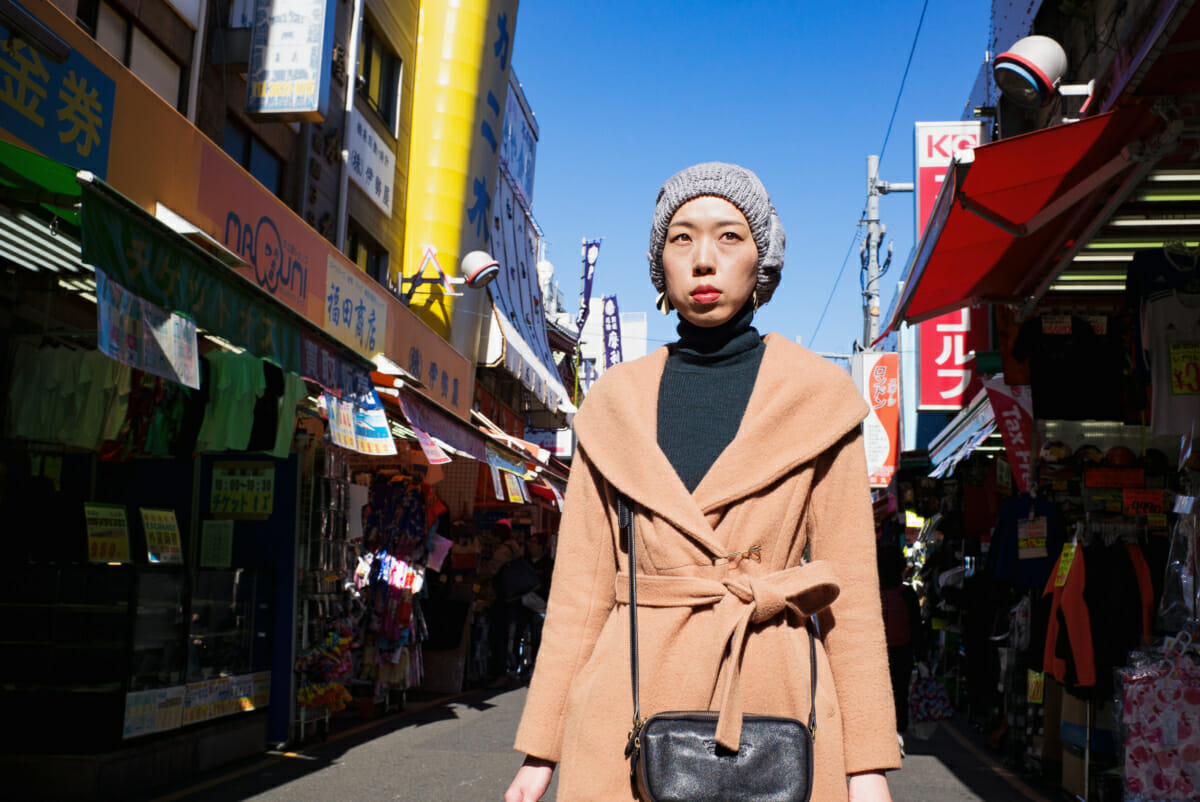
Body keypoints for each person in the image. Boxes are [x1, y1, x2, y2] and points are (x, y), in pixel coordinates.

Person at [505, 163, 900, 801]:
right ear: (660, 263)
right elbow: (579, 593)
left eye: (730, 237)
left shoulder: (820, 398)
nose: (704, 260)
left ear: (762, 260)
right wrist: (540, 751)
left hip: (776, 698)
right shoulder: (614, 404)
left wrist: (868, 765)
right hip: (626, 702)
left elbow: (851, 598)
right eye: (682, 239)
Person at [877, 540, 922, 756]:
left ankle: (881, 733)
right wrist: (921, 656)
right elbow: (916, 626)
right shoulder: (907, 594)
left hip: (877, 651)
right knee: (899, 691)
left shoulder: (871, 593)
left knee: (878, 693)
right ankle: (897, 734)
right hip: (902, 650)